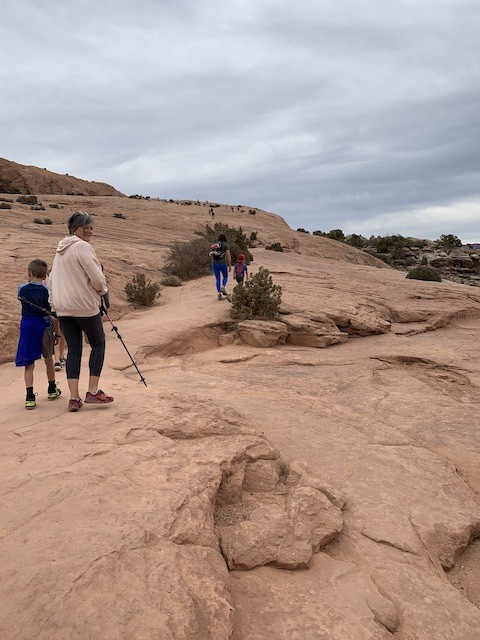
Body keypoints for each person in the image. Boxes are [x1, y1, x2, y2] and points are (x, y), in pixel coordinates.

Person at [49, 211, 113, 412]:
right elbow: (96, 277)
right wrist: (103, 292)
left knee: (74, 349)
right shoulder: (83, 247)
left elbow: (53, 279)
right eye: (87, 227)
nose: (90, 231)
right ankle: (93, 391)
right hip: (84, 306)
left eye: (92, 228)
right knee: (98, 343)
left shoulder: (60, 250)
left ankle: (74, 398)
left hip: (63, 307)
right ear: (76, 228)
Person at [15, 259, 61, 409]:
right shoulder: (47, 291)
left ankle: (29, 396)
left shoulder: (21, 289)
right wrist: (57, 334)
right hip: (43, 326)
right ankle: (52, 389)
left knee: (29, 363)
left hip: (28, 326)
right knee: (48, 358)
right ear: (44, 276)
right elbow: (52, 315)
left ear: (29, 273)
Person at [209, 233, 231, 300]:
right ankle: (223, 287)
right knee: (225, 276)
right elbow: (228, 256)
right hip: (222, 263)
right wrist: (229, 265)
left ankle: (219, 293)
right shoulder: (226, 245)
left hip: (214, 263)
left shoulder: (215, 245)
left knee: (218, 279)